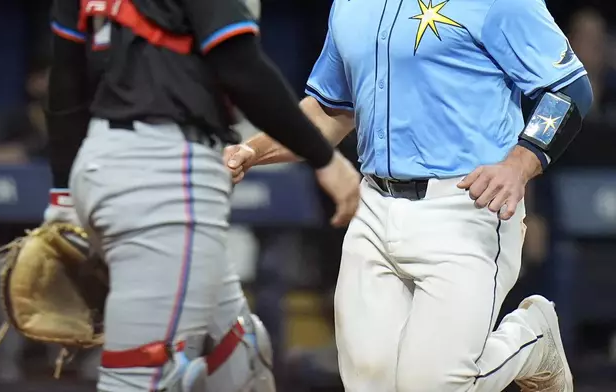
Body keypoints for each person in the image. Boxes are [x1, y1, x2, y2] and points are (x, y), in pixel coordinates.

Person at [224, 0, 594, 391]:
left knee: (434, 384)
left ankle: (533, 340)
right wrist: (253, 150)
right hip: (375, 207)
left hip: (465, 206)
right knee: (370, 384)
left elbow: (569, 88)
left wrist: (520, 163)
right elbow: (330, 110)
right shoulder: (350, 5)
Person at [45, 0, 360, 391]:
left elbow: (65, 88)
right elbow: (240, 68)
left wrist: (61, 199)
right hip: (165, 167)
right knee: (144, 376)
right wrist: (325, 158)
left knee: (238, 352)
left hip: (99, 164)